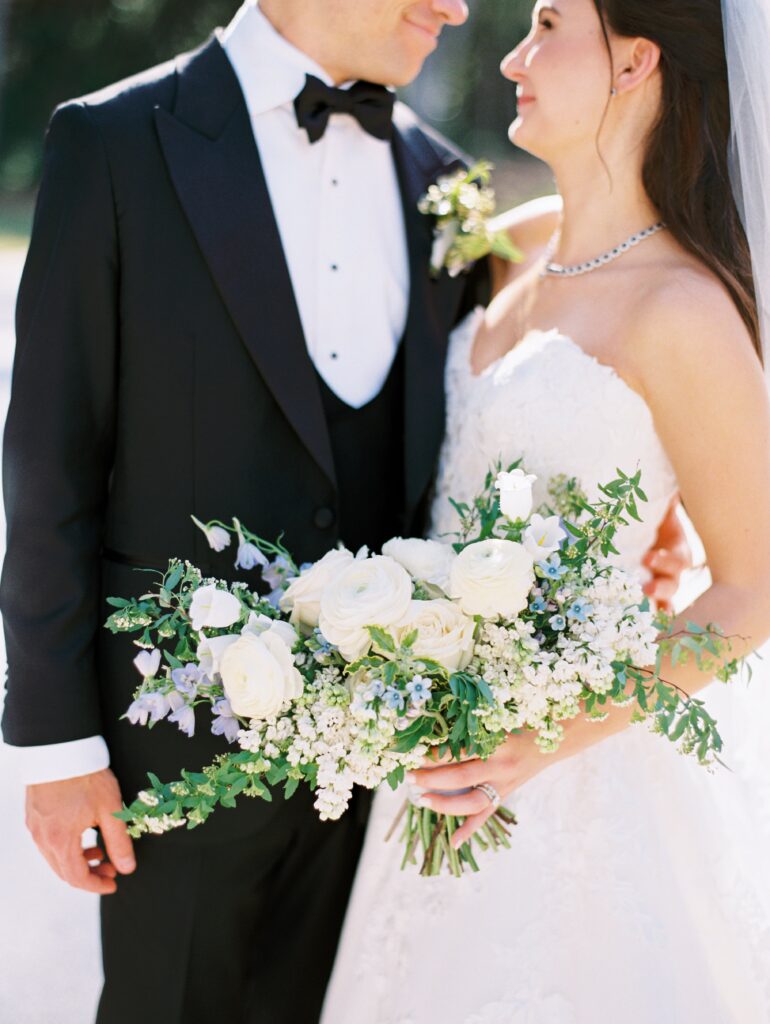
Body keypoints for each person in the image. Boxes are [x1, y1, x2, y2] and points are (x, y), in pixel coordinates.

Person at [0, 1, 687, 1021]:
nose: (456, 8)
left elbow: (557, 326)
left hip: (387, 773)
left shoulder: (446, 185)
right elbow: (49, 464)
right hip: (173, 756)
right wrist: (57, 751)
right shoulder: (114, 141)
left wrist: (647, 481)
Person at [322, 1, 770, 1021]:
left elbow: (750, 587)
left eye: (547, 24)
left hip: (583, 768)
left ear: (634, 61)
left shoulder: (682, 309)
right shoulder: (513, 245)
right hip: (437, 757)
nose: (516, 56)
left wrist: (544, 738)